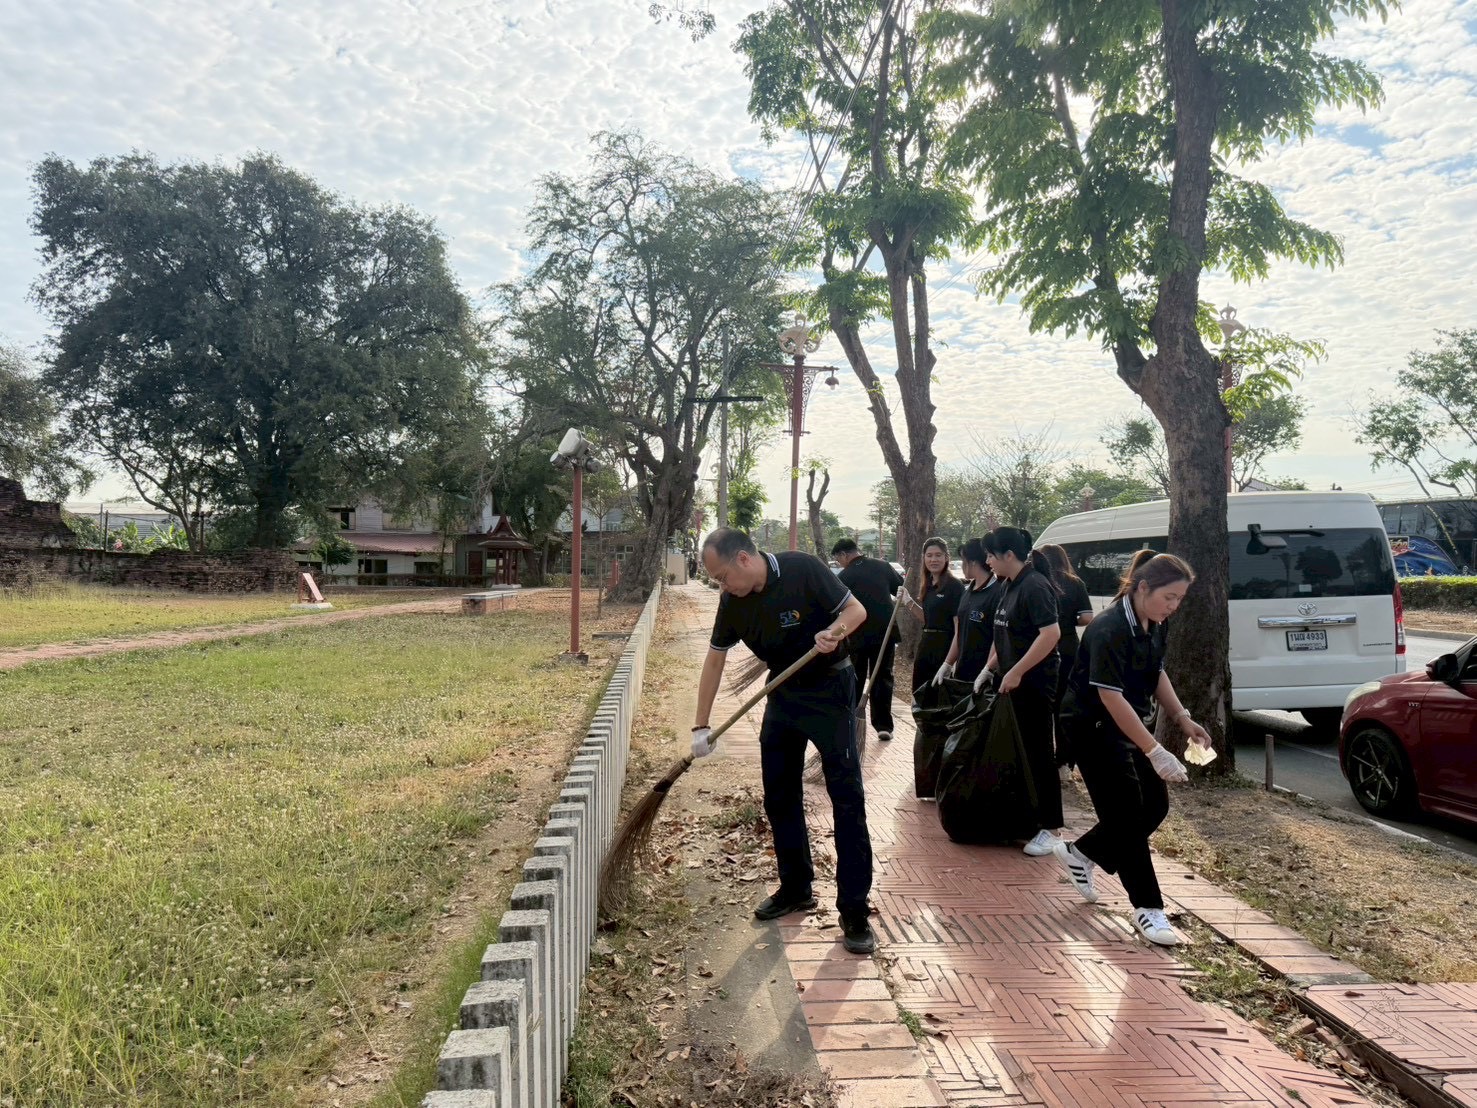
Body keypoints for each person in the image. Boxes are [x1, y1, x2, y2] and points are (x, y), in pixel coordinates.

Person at [693, 527, 877, 954]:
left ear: (743, 559)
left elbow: (856, 611)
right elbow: (715, 658)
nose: (721, 586)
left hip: (830, 690)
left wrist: (833, 632)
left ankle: (854, 911)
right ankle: (796, 886)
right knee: (779, 794)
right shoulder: (732, 602)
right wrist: (700, 726)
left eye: (721, 577)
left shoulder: (802, 569)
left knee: (846, 797)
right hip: (784, 692)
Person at [1053, 551, 1213, 947]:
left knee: (1154, 806)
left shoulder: (1154, 623)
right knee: (1125, 816)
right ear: (1143, 587)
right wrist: (1156, 751)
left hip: (1127, 725)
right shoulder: (1108, 628)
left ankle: (1081, 852)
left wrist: (1182, 718)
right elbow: (1110, 697)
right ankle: (1148, 909)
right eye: (1169, 597)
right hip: (1090, 729)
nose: (1173, 607)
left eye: (1179, 599)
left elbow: (1154, 670)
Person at [983, 527, 1063, 858]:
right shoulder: (1008, 586)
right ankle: (1023, 819)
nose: (987, 561)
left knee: (1038, 751)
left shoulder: (1035, 586)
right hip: (1009, 680)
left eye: (991, 555)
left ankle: (1050, 827)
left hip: (1034, 683)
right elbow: (1005, 634)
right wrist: (988, 668)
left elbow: (1050, 634)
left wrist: (1017, 671)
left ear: (1009, 556)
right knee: (1017, 750)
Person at [832, 538, 905, 740]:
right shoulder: (883, 566)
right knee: (883, 676)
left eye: (838, 560)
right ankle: (883, 726)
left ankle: (852, 721)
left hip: (856, 634)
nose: (839, 564)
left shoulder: (845, 576)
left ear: (844, 555)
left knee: (855, 675)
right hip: (885, 632)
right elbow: (900, 588)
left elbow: (837, 606)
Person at [1038, 543, 1094, 779]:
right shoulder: (1075, 582)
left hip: (1041, 647)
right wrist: (1071, 619)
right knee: (1064, 705)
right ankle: (1064, 763)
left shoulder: (1037, 581)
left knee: (1042, 705)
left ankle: (1039, 757)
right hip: (1069, 647)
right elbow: (1087, 617)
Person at [931, 537, 997, 689]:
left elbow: (999, 638)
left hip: (984, 676)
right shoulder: (968, 591)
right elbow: (960, 630)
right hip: (962, 673)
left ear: (973, 562)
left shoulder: (997, 593)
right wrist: (948, 663)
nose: (961, 565)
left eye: (963, 560)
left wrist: (988, 669)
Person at [902, 537, 965, 694]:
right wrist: (908, 601)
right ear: (923, 558)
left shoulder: (954, 586)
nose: (933, 559)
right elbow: (929, 619)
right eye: (929, 555)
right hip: (926, 646)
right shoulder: (928, 584)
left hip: (944, 647)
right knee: (919, 693)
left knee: (939, 698)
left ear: (946, 557)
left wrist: (950, 662)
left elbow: (960, 628)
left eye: (938, 555)